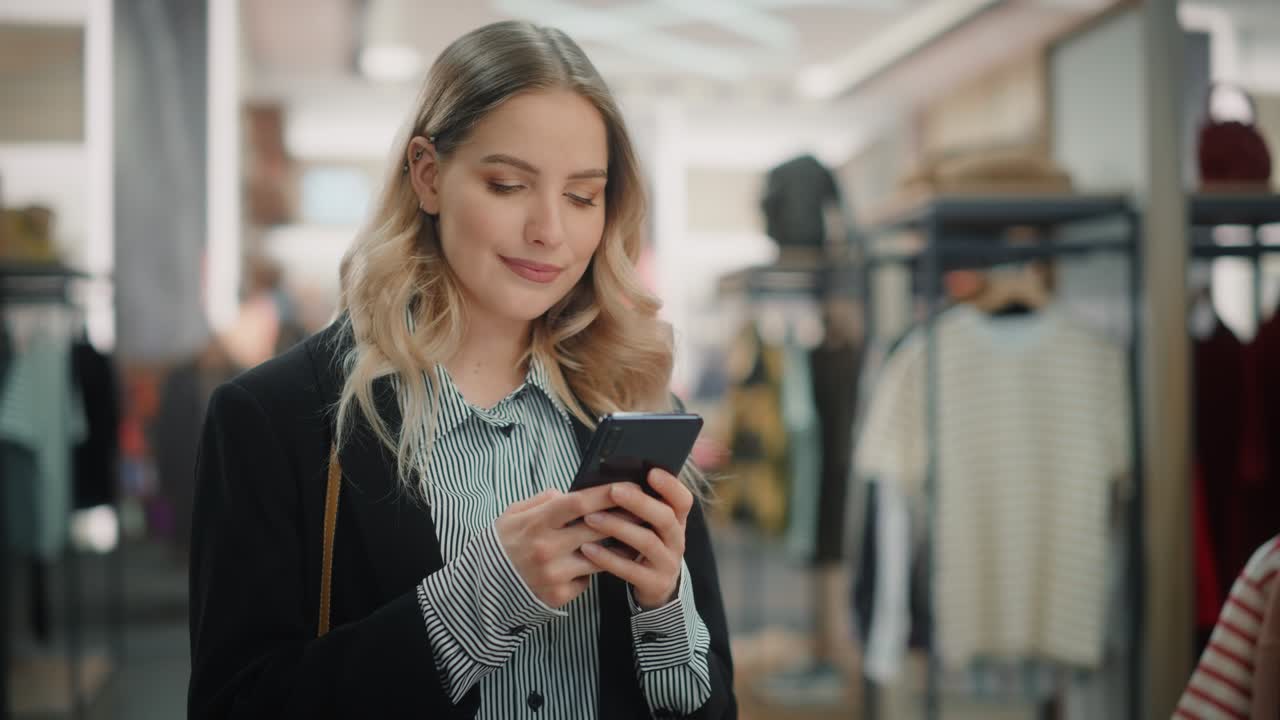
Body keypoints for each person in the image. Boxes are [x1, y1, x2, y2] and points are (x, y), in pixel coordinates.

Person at [187, 20, 736, 719]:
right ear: (428, 174)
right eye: (509, 185)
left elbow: (714, 706)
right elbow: (236, 705)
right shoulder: (275, 419)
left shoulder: (634, 405)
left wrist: (664, 607)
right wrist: (479, 602)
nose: (550, 231)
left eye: (581, 196)